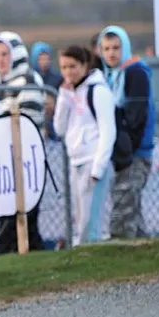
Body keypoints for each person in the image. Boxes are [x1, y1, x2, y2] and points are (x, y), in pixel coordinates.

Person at [0, 30, 46, 252]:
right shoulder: (8, 83)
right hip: (10, 164)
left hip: (27, 163)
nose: (0, 60)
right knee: (24, 225)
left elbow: (27, 125)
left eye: (4, 54)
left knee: (20, 220)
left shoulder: (27, 81)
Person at [53, 46, 115, 247]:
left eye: (72, 66)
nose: (68, 72)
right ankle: (84, 254)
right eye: (63, 67)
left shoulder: (98, 91)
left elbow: (108, 131)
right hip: (75, 161)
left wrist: (99, 167)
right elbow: (60, 128)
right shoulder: (70, 93)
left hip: (93, 162)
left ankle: (93, 259)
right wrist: (63, 99)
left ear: (84, 65)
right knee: (80, 219)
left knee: (90, 220)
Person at [98, 25, 155, 239]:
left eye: (116, 48)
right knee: (132, 207)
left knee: (123, 210)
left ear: (125, 48)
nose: (111, 53)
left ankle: (123, 250)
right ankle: (142, 249)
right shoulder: (110, 75)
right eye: (106, 48)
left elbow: (137, 116)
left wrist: (126, 150)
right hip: (120, 152)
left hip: (134, 152)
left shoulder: (135, 72)